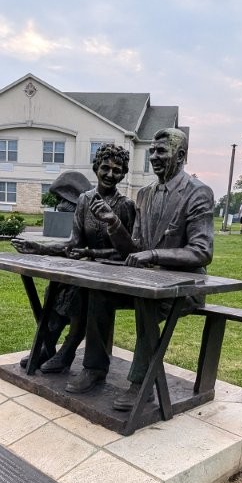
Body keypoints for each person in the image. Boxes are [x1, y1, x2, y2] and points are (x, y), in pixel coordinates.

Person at [65, 127, 214, 410]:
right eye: (152, 152)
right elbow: (132, 250)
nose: (154, 157)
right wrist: (113, 224)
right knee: (99, 294)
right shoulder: (144, 195)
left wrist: (154, 254)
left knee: (147, 304)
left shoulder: (198, 193)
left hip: (182, 288)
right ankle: (94, 369)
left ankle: (140, 384)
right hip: (144, 281)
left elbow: (201, 251)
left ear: (181, 156)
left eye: (162, 152)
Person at [12, 144, 135, 373]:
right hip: (88, 269)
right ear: (96, 168)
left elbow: (127, 252)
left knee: (81, 294)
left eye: (116, 170)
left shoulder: (125, 206)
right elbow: (73, 244)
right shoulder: (85, 200)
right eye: (105, 168)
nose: (110, 174)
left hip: (115, 273)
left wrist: (92, 254)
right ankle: (47, 346)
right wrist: (38, 246)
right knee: (57, 287)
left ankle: (67, 352)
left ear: (123, 174)